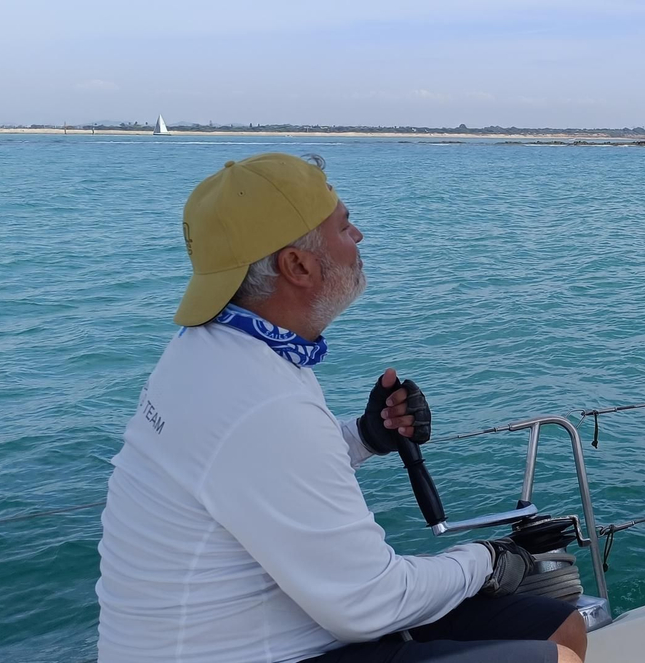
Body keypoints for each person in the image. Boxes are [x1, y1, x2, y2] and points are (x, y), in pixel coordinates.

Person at [95, 153, 586, 663]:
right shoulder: (264, 402)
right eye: (345, 226)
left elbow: (260, 469)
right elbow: (369, 603)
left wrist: (364, 437)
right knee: (551, 661)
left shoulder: (210, 352)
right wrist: (486, 560)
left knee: (559, 627)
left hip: (269, 629)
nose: (359, 238)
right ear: (298, 265)